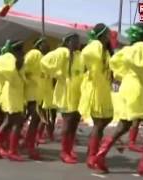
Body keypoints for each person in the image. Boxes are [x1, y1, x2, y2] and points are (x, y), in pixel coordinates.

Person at [91, 23, 143, 178]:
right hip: (139, 89)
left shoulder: (127, 49)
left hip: (128, 87)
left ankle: (99, 156)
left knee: (123, 125)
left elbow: (114, 62)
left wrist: (125, 74)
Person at [41, 33, 84, 164]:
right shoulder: (62, 52)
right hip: (66, 93)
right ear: (68, 41)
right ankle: (64, 152)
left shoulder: (78, 55)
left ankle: (70, 149)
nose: (78, 43)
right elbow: (45, 61)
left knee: (74, 122)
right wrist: (57, 73)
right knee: (67, 122)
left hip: (77, 94)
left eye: (78, 40)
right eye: (75, 41)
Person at [78, 23, 114, 169]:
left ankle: (91, 150)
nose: (109, 37)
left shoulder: (105, 50)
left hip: (103, 88)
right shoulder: (96, 46)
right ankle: (92, 156)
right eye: (107, 34)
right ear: (101, 35)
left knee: (106, 119)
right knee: (99, 123)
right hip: (94, 88)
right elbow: (86, 53)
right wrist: (93, 69)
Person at [0, 40, 26, 161]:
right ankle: (12, 151)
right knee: (16, 122)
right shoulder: (9, 60)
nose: (22, 52)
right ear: (15, 51)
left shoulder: (17, 61)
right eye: (19, 50)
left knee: (9, 121)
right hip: (12, 94)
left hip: (16, 94)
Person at [22, 37, 51, 160]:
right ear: (39, 45)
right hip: (31, 92)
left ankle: (27, 143)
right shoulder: (35, 53)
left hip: (37, 93)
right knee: (35, 119)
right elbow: (24, 68)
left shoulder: (43, 57)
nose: (48, 46)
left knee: (33, 119)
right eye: (45, 43)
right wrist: (31, 79)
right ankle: (29, 146)